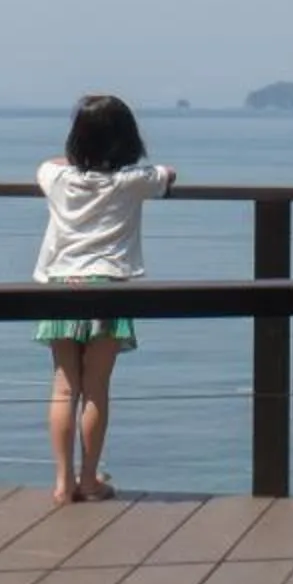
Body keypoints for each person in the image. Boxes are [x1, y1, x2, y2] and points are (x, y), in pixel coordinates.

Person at [32, 94, 175, 505]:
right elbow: (166, 174)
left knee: (63, 387)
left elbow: (49, 164)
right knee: (95, 388)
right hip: (108, 286)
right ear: (128, 140)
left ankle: (62, 482)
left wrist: (72, 161)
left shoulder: (57, 178)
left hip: (60, 285)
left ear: (76, 139)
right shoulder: (132, 182)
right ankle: (89, 479)